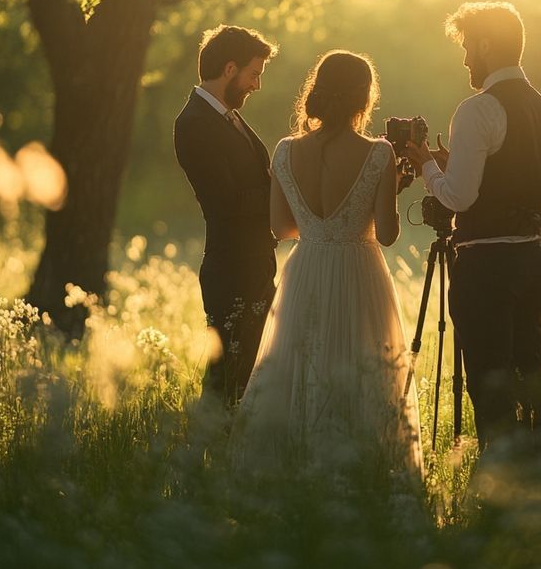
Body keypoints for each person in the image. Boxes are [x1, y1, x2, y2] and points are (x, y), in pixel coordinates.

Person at [230, 50, 423, 486]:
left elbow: (281, 227)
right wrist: (391, 190)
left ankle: (293, 474)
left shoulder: (284, 150)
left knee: (299, 362)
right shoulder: (379, 154)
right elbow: (388, 234)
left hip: (306, 271)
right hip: (359, 272)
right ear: (364, 97)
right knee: (363, 369)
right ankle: (360, 476)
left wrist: (319, 229)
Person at [405, 1, 541, 457]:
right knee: (528, 371)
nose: (466, 59)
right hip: (532, 260)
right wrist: (464, 171)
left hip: (485, 266)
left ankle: (501, 477)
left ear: (487, 44)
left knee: (489, 379)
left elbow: (458, 199)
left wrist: (428, 168)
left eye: (468, 47)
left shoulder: (478, 110)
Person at [174, 24, 278, 407]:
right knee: (228, 377)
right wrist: (286, 189)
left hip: (254, 261)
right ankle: (210, 452)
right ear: (230, 69)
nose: (257, 85)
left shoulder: (227, 117)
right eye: (254, 75)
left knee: (249, 373)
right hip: (231, 266)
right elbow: (227, 201)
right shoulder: (194, 123)